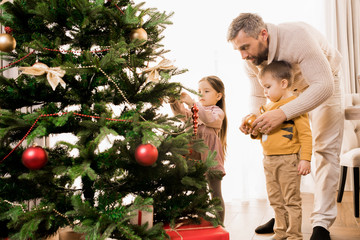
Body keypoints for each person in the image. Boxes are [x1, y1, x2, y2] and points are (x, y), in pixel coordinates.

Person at [227, 13, 343, 240]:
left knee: (324, 150)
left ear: (263, 34)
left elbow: (323, 85)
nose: (242, 55)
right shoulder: (252, 59)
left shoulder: (297, 37)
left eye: (245, 47)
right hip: (286, 89)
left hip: (323, 82)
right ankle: (284, 218)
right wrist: (253, 118)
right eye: (238, 50)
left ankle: (321, 224)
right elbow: (258, 93)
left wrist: (283, 112)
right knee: (281, 153)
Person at [247, 61, 312, 240]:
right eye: (263, 88)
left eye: (268, 87)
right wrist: (254, 132)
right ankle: (281, 231)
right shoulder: (265, 108)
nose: (265, 92)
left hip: (288, 160)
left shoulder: (295, 105)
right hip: (268, 159)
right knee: (275, 199)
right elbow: (264, 135)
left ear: (283, 84)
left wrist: (305, 159)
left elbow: (306, 134)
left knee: (291, 199)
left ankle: (294, 235)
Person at [169, 75, 227, 224]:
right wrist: (173, 100)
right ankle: (201, 223)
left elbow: (206, 118)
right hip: (194, 157)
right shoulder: (194, 111)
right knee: (198, 192)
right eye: (199, 91)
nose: (201, 94)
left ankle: (220, 225)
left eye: (206, 91)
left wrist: (192, 103)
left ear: (218, 96)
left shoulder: (216, 112)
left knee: (215, 192)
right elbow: (180, 114)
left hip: (210, 158)